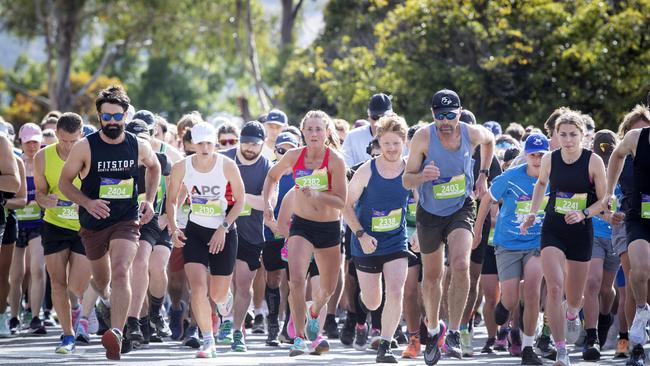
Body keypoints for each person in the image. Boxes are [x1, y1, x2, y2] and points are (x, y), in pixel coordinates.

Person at [59, 85, 161, 360]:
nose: (112, 122)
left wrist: (149, 200)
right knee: (103, 281)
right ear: (99, 118)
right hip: (93, 222)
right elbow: (64, 183)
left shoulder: (138, 145)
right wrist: (87, 202)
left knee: (120, 270)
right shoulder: (85, 147)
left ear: (126, 116)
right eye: (107, 117)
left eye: (117, 116)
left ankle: (117, 332)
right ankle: (106, 304)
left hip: (126, 220)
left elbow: (155, 167)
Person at [402, 89, 494, 364]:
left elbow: (490, 141)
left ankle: (453, 331)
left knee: (461, 264)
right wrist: (421, 176)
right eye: (440, 115)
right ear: (432, 114)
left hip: (461, 208)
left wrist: (483, 175)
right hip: (429, 213)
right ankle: (433, 328)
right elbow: (406, 180)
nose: (445, 121)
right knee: (431, 278)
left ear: (459, 112)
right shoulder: (423, 137)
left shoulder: (472, 133)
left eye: (450, 115)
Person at [521, 110, 607, 366]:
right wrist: (531, 214)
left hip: (581, 231)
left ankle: (572, 313)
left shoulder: (593, 162)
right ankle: (561, 350)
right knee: (555, 286)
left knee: (575, 297)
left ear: (582, 136)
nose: (568, 140)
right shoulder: (550, 158)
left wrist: (583, 213)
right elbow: (540, 185)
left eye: (573, 134)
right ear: (556, 136)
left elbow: (603, 201)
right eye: (563, 134)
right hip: (553, 228)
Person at [262, 110, 347, 356]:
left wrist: (318, 194)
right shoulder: (293, 156)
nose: (313, 134)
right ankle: (299, 337)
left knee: (328, 289)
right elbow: (271, 176)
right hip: (301, 226)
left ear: (327, 132)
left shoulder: (335, 161)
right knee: (296, 280)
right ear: (302, 132)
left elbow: (342, 201)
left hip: (329, 228)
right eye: (309, 129)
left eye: (318, 129)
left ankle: (314, 312)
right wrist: (268, 202)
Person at [166, 121, 245, 358]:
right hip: (195, 231)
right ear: (191, 144)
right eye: (200, 143)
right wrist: (172, 226)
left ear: (215, 144)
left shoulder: (227, 165)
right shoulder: (182, 166)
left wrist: (223, 227)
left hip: (224, 231)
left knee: (217, 294)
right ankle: (208, 340)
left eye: (210, 143)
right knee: (198, 288)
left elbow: (240, 201)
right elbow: (171, 200)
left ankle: (224, 300)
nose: (205, 148)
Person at [474, 133, 551, 365]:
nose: (537, 159)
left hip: (535, 243)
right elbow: (487, 199)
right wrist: (478, 232)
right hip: (507, 243)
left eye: (542, 155)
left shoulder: (553, 178)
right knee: (510, 299)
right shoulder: (510, 177)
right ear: (525, 155)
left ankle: (528, 348)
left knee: (532, 292)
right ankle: (503, 306)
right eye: (533, 155)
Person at [343, 115, 412, 363]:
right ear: (379, 144)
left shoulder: (409, 169)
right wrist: (361, 235)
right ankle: (363, 306)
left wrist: (416, 234)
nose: (392, 149)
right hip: (366, 241)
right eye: (386, 144)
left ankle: (385, 345)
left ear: (404, 142)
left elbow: (422, 204)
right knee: (373, 301)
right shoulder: (366, 170)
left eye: (396, 143)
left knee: (396, 290)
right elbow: (346, 205)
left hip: (396, 240)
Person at [33, 113, 91, 353]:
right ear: (56, 134)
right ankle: (67, 335)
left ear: (81, 136)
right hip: (54, 224)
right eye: (64, 140)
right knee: (57, 282)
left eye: (73, 141)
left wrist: (85, 201)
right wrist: (46, 201)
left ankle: (76, 306)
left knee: (76, 286)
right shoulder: (42, 157)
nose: (68, 146)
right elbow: (39, 193)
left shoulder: (89, 153)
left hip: (85, 226)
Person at [218, 121, 273, 352]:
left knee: (243, 283)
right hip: (222, 229)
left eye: (254, 144)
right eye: (245, 143)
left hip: (251, 233)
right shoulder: (223, 159)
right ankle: (225, 320)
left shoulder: (268, 167)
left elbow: (267, 202)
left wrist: (240, 197)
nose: (249, 148)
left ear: (262, 144)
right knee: (222, 284)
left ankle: (237, 330)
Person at [605, 107, 650, 366]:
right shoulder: (636, 138)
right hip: (637, 217)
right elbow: (616, 157)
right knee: (638, 273)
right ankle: (636, 345)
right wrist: (609, 192)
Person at [581, 129, 620, 361]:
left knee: (606, 289)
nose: (605, 162)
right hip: (592, 232)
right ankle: (591, 336)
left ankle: (605, 317)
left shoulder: (625, 167)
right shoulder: (588, 168)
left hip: (616, 235)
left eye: (609, 157)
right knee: (592, 282)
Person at [262, 131, 299, 346]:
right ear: (275, 151)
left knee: (293, 279)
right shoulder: (269, 172)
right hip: (271, 232)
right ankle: (273, 324)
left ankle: (289, 325)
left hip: (296, 234)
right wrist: (268, 220)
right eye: (280, 150)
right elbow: (260, 200)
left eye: (289, 150)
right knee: (273, 277)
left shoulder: (303, 172)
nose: (285, 154)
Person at [14, 123, 47, 335]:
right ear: (21, 143)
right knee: (15, 275)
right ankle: (13, 317)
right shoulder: (15, 162)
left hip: (38, 224)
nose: (32, 146)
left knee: (37, 269)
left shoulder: (44, 162)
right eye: (28, 142)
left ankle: (36, 316)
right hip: (16, 223)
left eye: (36, 141)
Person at [0, 133, 21, 335]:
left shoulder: (1, 141)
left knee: (2, 274)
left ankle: (1, 314)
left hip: (5, 218)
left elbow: (14, 183)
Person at [343, 93, 393, 167]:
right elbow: (347, 169)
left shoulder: (402, 137)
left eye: (383, 117)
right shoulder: (352, 137)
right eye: (375, 117)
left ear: (392, 116)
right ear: (368, 115)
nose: (378, 122)